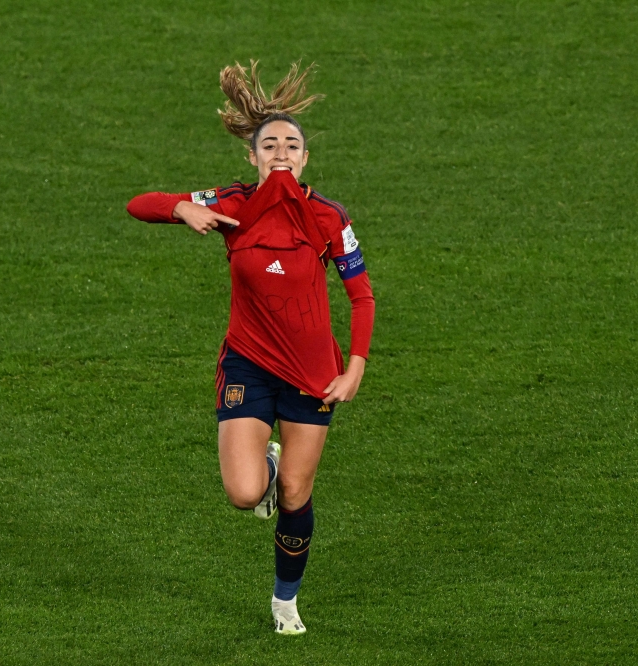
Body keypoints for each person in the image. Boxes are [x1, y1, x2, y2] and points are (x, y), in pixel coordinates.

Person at [126, 61, 375, 635]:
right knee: (246, 493)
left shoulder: (328, 217)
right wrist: (181, 206)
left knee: (294, 490)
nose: (281, 150)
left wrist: (355, 365)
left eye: (292, 143)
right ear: (253, 156)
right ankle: (261, 466)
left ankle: (285, 600)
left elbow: (361, 297)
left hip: (314, 373)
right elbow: (140, 202)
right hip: (249, 362)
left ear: (306, 157)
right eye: (270, 144)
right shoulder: (233, 203)